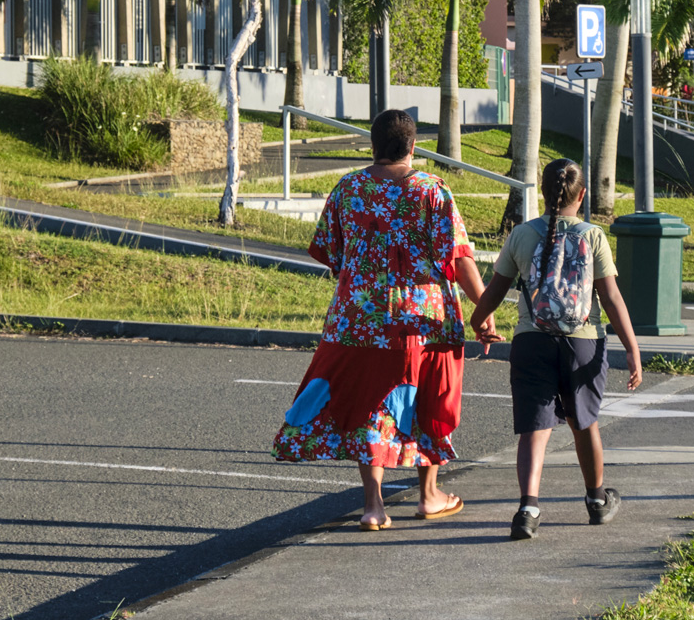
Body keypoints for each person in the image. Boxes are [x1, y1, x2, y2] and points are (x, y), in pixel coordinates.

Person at [273, 109, 487, 530]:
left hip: (355, 318)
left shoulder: (349, 188)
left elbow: (331, 256)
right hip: (422, 320)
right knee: (424, 396)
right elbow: (459, 261)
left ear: (372, 146)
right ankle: (428, 496)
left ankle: (373, 506)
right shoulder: (432, 190)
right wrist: (485, 312)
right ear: (412, 147)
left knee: (370, 404)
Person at [469, 158, 642, 541]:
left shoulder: (521, 235)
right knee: (584, 423)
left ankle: (527, 510)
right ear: (581, 195)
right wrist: (632, 348)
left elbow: (495, 290)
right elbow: (611, 297)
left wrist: (478, 320)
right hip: (582, 342)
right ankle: (597, 501)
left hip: (532, 341)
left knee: (535, 428)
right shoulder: (592, 235)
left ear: (544, 193)